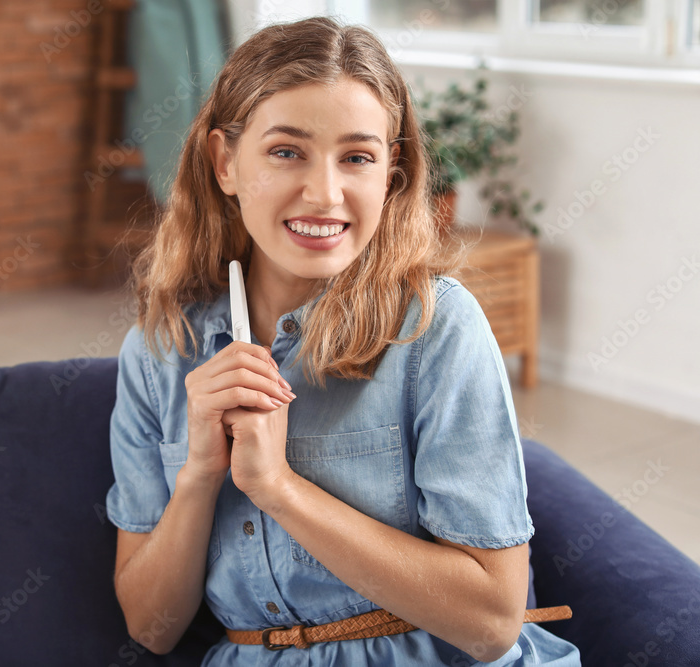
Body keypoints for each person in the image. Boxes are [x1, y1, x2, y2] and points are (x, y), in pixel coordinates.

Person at [105, 15, 581, 666]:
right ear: (225, 162)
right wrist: (199, 475)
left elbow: (493, 624)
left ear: (391, 173)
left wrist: (279, 488)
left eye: (357, 157)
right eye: (286, 151)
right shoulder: (159, 351)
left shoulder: (436, 328)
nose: (325, 193)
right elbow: (150, 628)